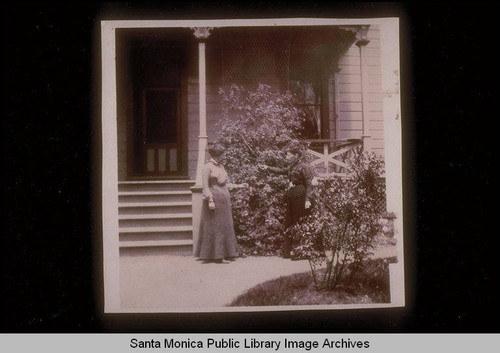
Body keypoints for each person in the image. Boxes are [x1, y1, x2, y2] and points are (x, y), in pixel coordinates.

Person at [259, 149, 317, 258]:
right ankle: (290, 251)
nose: (286, 157)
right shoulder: (292, 167)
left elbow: (309, 184)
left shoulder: (305, 167)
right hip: (292, 199)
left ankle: (302, 251)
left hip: (301, 199)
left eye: (289, 155)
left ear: (296, 155)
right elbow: (282, 171)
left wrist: (308, 200)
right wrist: (268, 168)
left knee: (300, 223)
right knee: (291, 222)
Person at [195, 143, 246, 264]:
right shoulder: (207, 167)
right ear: (217, 155)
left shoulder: (221, 166)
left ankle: (229, 253)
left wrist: (240, 185)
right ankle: (218, 256)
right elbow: (205, 186)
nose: (223, 157)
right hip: (214, 200)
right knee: (216, 227)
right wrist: (210, 200)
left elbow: (226, 183)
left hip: (225, 200)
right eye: (222, 154)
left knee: (226, 225)